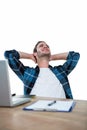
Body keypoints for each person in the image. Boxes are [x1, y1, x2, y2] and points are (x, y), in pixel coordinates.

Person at [4, 41, 80, 99]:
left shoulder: (60, 70)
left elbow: (75, 56)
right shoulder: (27, 72)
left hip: (62, 111)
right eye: (41, 46)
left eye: (47, 46)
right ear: (35, 53)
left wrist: (52, 57)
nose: (45, 46)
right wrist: (30, 56)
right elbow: (9, 55)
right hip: (36, 113)